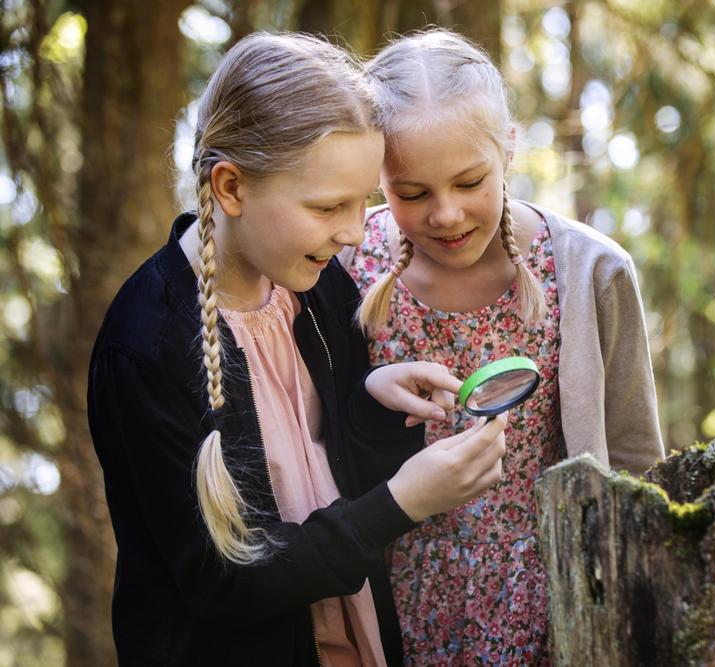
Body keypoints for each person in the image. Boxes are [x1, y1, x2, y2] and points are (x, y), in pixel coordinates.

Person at [86, 32, 508, 667]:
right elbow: (222, 580)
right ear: (230, 188)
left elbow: (329, 468)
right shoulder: (146, 347)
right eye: (327, 206)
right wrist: (401, 503)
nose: (351, 232)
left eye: (363, 202)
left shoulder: (314, 287)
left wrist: (377, 402)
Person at [342, 29, 664, 665]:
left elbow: (634, 463)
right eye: (411, 193)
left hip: (547, 614)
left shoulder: (590, 272)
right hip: (386, 616)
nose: (447, 214)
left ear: (509, 146)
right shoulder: (345, 265)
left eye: (469, 182)